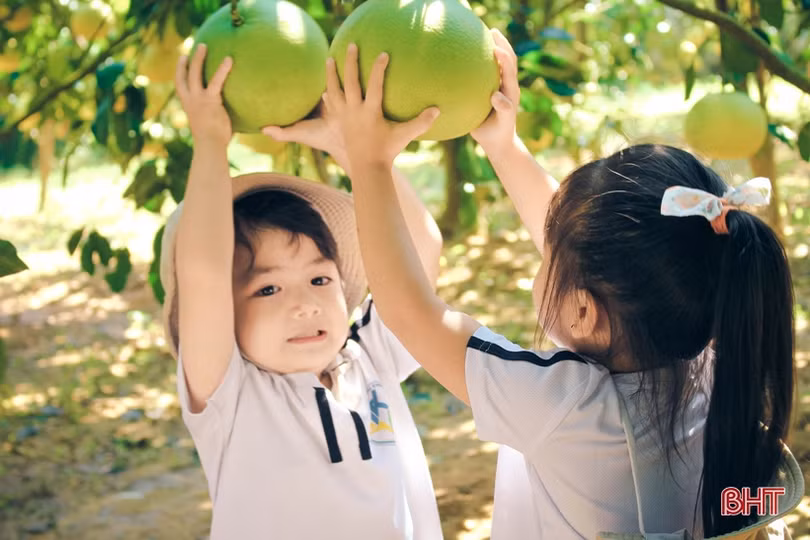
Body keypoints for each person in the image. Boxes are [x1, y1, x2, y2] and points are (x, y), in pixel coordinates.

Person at [324, 32, 798, 539]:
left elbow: (410, 312)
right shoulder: (707, 351)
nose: (541, 253)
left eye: (547, 257)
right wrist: (502, 147)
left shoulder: (563, 404)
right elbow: (597, 255)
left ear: (582, 310)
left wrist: (369, 161)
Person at [160, 43, 444, 539]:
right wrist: (209, 142)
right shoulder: (232, 395)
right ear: (222, 312)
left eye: (319, 278)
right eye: (267, 288)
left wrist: (359, 153)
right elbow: (203, 273)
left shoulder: (370, 358)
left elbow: (421, 250)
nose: (305, 304)